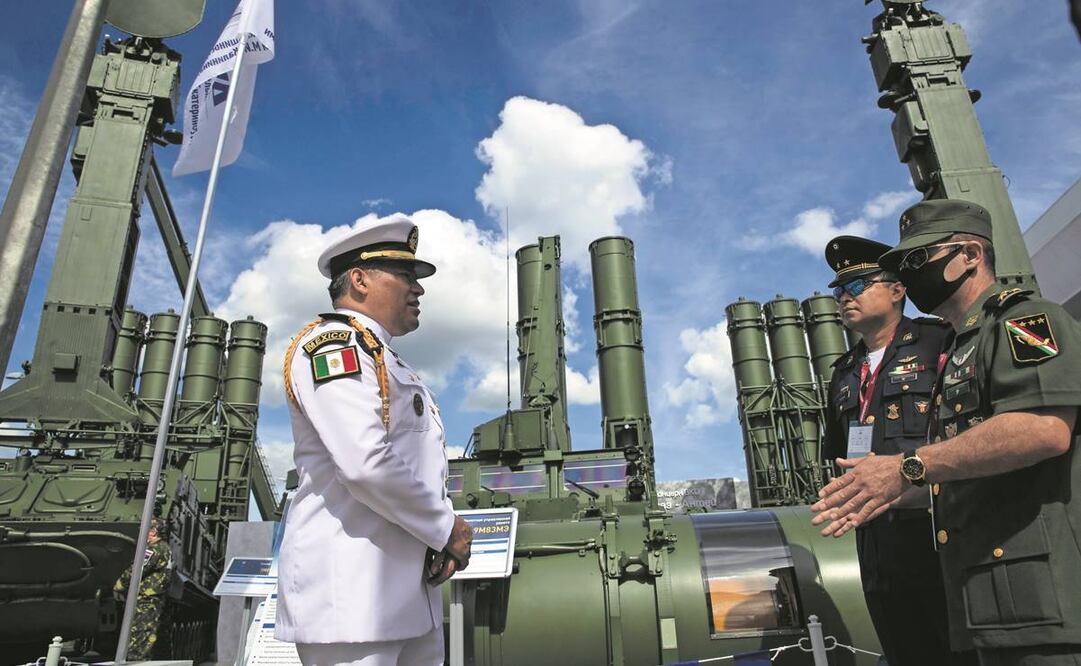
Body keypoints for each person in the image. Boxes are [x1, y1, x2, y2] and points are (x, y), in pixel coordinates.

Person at [812, 199, 1081, 664]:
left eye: (918, 260)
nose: (910, 276)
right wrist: (879, 490)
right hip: (970, 578)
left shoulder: (1023, 321)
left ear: (971, 254)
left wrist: (909, 468)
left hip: (1034, 585)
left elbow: (1043, 428)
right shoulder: (953, 348)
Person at [275, 213, 474, 666]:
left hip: (404, 596)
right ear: (360, 280)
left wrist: (434, 539)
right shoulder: (333, 346)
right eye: (406, 275)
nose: (418, 288)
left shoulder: (386, 358)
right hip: (352, 600)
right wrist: (446, 528)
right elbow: (365, 462)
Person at [820, 235, 967, 666]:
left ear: (898, 289)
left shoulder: (939, 342)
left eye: (860, 284)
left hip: (938, 532)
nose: (846, 298)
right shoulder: (844, 373)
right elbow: (839, 452)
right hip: (877, 545)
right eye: (840, 291)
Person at [114, 517, 172, 660]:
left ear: (153, 532)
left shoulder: (154, 549)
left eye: (145, 531)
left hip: (146, 599)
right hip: (154, 598)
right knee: (146, 634)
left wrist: (119, 585)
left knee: (139, 634)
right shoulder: (165, 548)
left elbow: (138, 568)